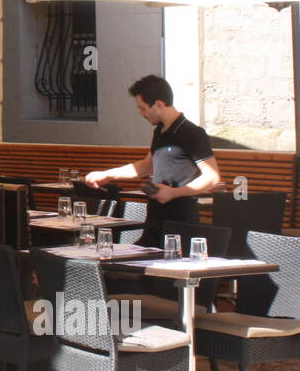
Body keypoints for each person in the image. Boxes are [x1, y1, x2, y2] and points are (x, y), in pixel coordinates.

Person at [85, 75, 221, 246]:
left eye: (142, 108)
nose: (141, 114)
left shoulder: (193, 133)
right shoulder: (160, 131)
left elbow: (212, 178)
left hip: (180, 226)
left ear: (158, 104)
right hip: (155, 222)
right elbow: (146, 166)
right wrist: (107, 175)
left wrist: (173, 192)